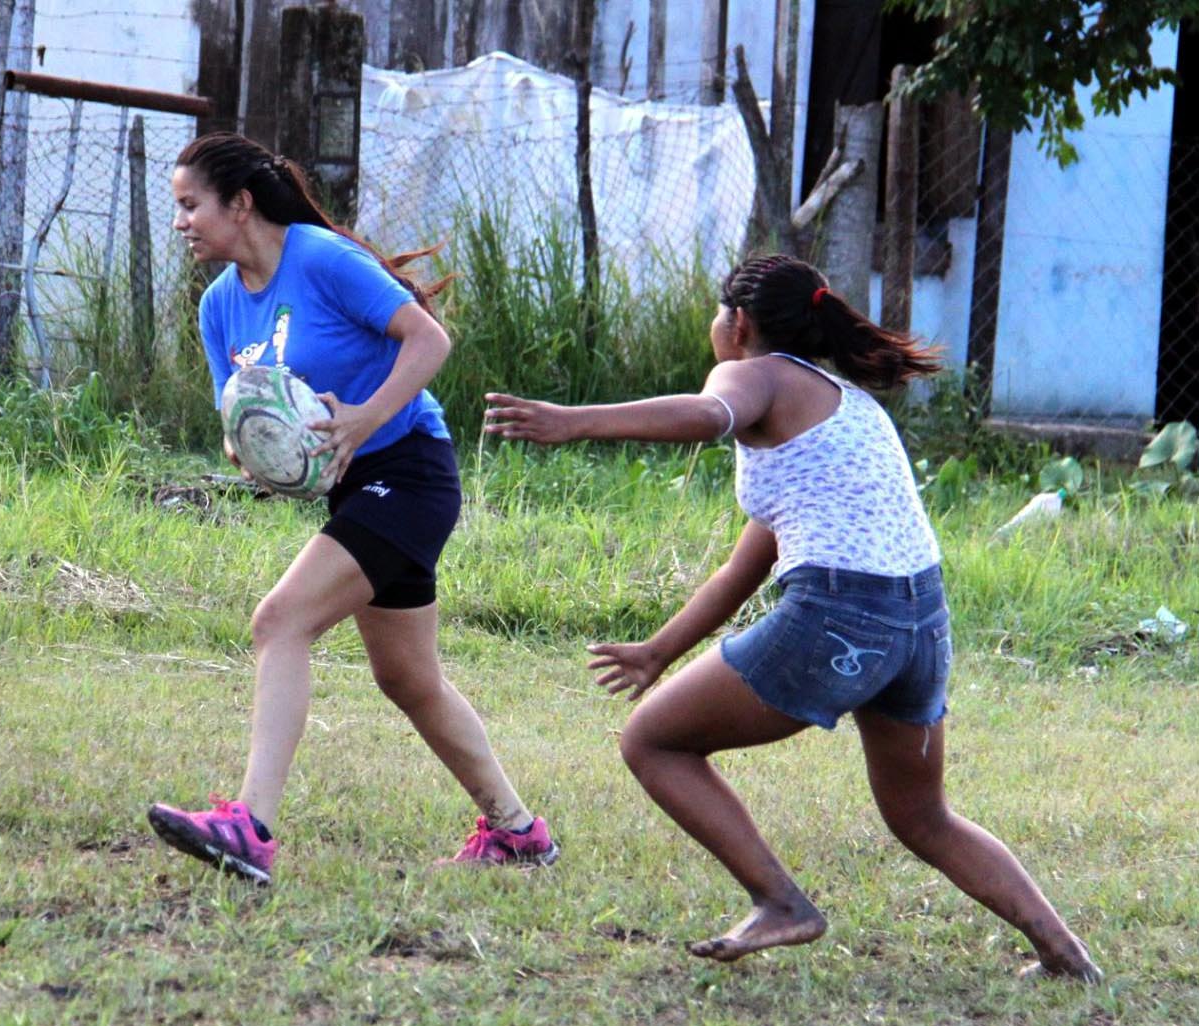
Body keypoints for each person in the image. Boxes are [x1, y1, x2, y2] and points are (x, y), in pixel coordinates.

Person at [482, 253, 1101, 980]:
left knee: (653, 742)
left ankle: (781, 902)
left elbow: (708, 415)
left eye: (720, 317)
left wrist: (575, 422)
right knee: (924, 817)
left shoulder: (757, 374)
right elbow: (746, 567)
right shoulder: (840, 405)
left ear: (738, 323)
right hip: (921, 625)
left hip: (842, 615)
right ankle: (1067, 957)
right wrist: (658, 650)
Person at [145, 133, 558, 885]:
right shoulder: (217, 308)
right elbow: (239, 420)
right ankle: (519, 832)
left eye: (189, 205)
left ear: (239, 204)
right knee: (408, 679)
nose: (180, 222)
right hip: (352, 486)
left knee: (280, 620)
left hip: (409, 470)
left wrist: (364, 416)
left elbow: (429, 342)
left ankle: (250, 827)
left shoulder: (323, 260)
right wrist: (259, 456)